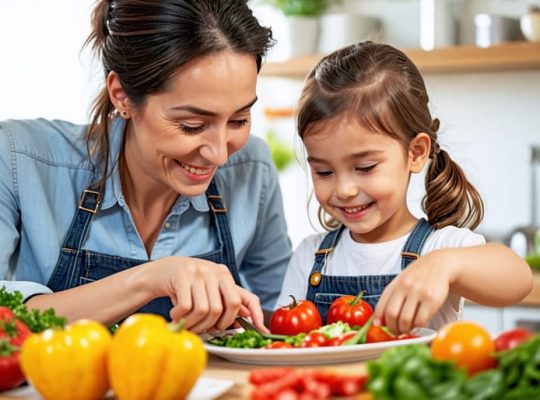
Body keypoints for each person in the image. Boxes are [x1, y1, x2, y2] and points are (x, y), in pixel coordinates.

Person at [0, 0, 292, 333]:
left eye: (240, 119)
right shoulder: (17, 159)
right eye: (192, 125)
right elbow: (4, 323)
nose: (219, 155)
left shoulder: (251, 167)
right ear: (121, 95)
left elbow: (282, 317)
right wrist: (151, 279)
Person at [276, 41, 532, 334]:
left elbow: (519, 279)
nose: (344, 189)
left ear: (416, 153)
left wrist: (446, 266)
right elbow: (288, 342)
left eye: (365, 168)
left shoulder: (442, 247)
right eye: (324, 171)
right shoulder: (311, 255)